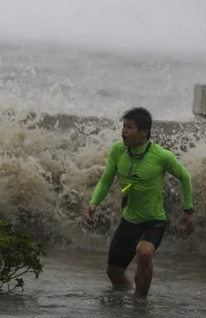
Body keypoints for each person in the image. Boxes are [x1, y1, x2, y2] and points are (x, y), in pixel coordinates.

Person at [83, 107, 194, 299]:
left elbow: (184, 177)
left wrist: (188, 210)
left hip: (153, 220)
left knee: (144, 253)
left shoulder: (161, 156)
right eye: (124, 126)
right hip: (129, 220)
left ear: (144, 132)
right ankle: (131, 295)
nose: (124, 131)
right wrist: (93, 203)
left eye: (130, 127)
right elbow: (106, 180)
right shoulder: (118, 151)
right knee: (113, 273)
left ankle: (140, 304)